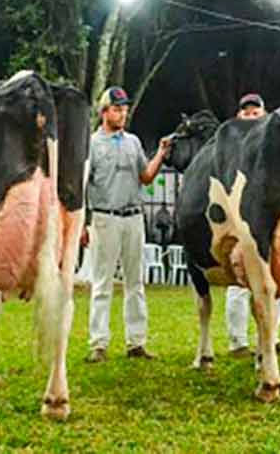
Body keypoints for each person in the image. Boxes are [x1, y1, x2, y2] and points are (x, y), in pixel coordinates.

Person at [83, 86, 170, 363]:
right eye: (117, 108)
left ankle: (137, 343)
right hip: (104, 218)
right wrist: (83, 224)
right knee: (102, 284)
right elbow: (83, 185)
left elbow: (145, 176)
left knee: (136, 283)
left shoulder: (133, 142)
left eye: (124, 108)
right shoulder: (92, 144)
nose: (122, 113)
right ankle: (98, 344)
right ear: (104, 112)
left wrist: (160, 153)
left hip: (134, 217)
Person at [224, 93, 280, 358]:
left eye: (256, 112)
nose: (251, 116)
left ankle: (270, 338)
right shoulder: (231, 146)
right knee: (240, 280)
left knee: (277, 279)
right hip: (239, 219)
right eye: (246, 112)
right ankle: (238, 342)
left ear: (265, 115)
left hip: (271, 219)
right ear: (238, 117)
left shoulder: (276, 146)